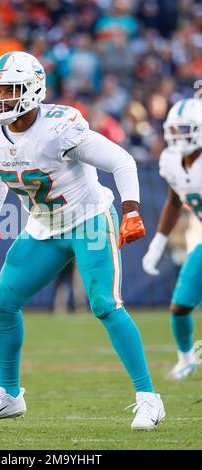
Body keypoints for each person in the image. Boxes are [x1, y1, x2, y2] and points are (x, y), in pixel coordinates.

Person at [0, 51, 165, 430]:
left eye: (11, 90)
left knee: (105, 303)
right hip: (42, 226)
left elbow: (122, 161)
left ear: (34, 90)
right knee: (2, 301)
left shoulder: (60, 126)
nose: (2, 99)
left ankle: (149, 398)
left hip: (88, 220)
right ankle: (9, 395)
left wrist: (133, 209)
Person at [143, 98, 202, 380]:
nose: (180, 136)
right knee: (179, 306)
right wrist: (158, 243)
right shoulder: (170, 160)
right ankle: (186, 359)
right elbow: (174, 201)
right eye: (176, 130)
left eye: (187, 129)